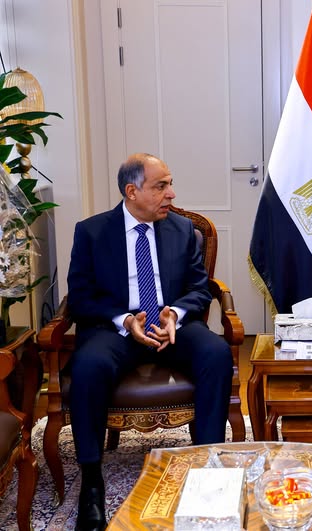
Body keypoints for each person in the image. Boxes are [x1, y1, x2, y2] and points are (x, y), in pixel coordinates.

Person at [67, 153, 233, 531]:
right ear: (132, 191)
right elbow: (80, 298)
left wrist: (175, 313)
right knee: (88, 365)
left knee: (216, 353)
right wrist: (125, 320)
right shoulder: (92, 232)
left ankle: (208, 465)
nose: (171, 194)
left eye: (170, 184)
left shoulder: (181, 230)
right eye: (161, 186)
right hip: (116, 328)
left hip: (169, 325)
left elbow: (199, 289)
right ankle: (91, 482)